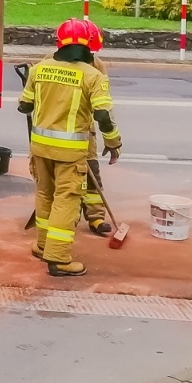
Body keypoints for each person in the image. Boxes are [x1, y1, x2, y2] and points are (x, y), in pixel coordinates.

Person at [18, 19, 122, 277]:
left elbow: (24, 106)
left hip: (40, 147)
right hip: (71, 151)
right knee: (67, 201)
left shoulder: (39, 69)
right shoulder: (93, 76)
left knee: (44, 195)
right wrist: (113, 142)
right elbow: (103, 116)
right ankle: (59, 258)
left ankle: (43, 246)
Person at [79, 19, 115, 236]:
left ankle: (96, 217)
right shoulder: (49, 62)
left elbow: (103, 105)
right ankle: (65, 220)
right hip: (56, 131)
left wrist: (112, 139)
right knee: (62, 182)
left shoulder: (97, 65)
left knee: (92, 175)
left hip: (85, 131)